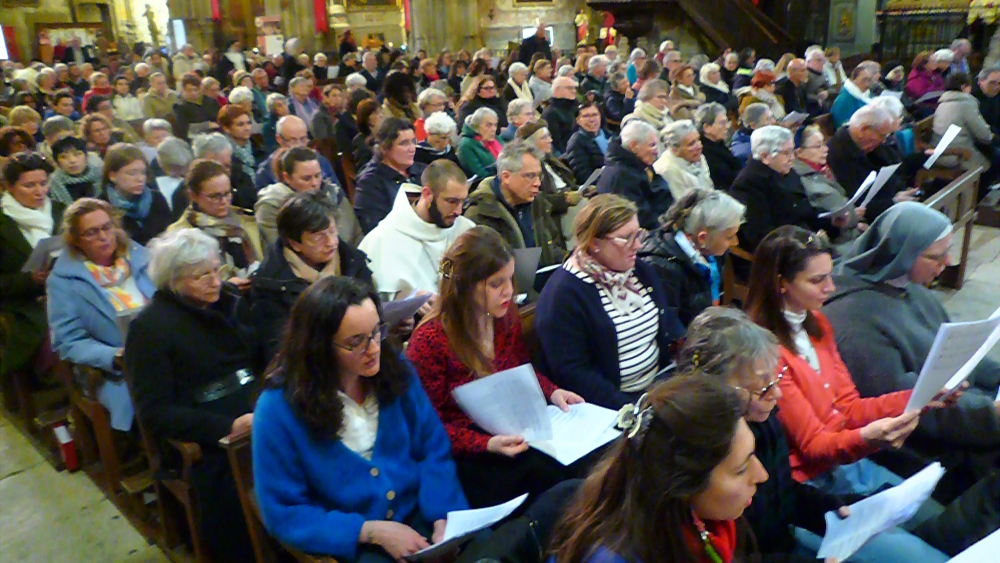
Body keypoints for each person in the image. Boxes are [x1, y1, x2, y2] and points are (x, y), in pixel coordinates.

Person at [252, 275, 469, 561]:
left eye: (376, 331)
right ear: (319, 347)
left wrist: (443, 515)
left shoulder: (395, 369)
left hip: (421, 513)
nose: (374, 348)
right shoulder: (276, 409)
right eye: (356, 342)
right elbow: (284, 511)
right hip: (355, 544)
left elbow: (432, 446)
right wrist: (369, 531)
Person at [406, 227, 584, 507]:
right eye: (496, 283)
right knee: (548, 486)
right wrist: (485, 444)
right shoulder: (430, 339)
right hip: (469, 454)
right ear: (466, 285)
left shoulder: (502, 316)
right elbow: (430, 427)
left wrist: (551, 391)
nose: (510, 291)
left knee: (573, 469)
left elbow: (519, 370)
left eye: (511, 279)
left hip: (511, 432)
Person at [824, 202, 1000, 482]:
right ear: (902, 256)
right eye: (936, 256)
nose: (948, 263)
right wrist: (991, 415)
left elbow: (958, 351)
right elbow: (906, 406)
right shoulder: (853, 320)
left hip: (962, 405)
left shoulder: (912, 290)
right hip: (919, 444)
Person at [120, 227, 255, 563]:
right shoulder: (151, 328)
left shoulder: (228, 302)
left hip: (257, 406)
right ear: (174, 280)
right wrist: (226, 428)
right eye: (201, 275)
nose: (214, 281)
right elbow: (155, 411)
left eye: (216, 270)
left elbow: (258, 357)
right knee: (239, 494)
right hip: (210, 434)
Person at [548, 375, 767, 563]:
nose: (762, 475)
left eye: (752, 455)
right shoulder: (614, 556)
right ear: (683, 483)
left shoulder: (695, 519)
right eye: (740, 469)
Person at [534, 194, 685, 408]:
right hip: (614, 404)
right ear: (595, 242)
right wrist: (633, 407)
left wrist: (683, 344)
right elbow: (574, 373)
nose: (638, 245)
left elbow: (664, 316)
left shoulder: (637, 270)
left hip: (658, 385)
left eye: (638, 234)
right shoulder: (564, 294)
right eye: (627, 238)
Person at [48, 198, 155, 433]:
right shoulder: (63, 281)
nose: (103, 237)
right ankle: (161, 455)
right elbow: (68, 341)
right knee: (155, 392)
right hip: (114, 367)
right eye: (91, 232)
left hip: (162, 345)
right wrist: (113, 355)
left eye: (107, 227)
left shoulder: (139, 256)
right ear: (75, 240)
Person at [250, 192, 372, 365]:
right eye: (319, 237)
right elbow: (279, 350)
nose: (331, 242)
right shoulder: (271, 285)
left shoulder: (352, 261)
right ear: (294, 243)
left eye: (332, 231)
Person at [360, 159, 474, 300]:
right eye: (452, 201)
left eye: (463, 201)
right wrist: (406, 297)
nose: (458, 210)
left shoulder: (465, 229)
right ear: (427, 194)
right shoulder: (383, 238)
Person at [0, 152, 65, 387]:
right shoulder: (4, 222)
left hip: (69, 290)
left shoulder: (60, 211)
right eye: (29, 185)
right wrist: (29, 280)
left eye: (44, 183)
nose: (39, 191)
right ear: (8, 186)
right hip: (26, 305)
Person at [639, 190, 744, 326]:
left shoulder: (712, 253)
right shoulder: (661, 265)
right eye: (729, 237)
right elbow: (671, 328)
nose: (736, 243)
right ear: (702, 238)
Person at [464, 140, 567, 268]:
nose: (538, 183)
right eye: (530, 176)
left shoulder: (537, 202)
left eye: (538, 176)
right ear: (506, 177)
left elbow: (550, 249)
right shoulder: (481, 214)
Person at [730, 126, 832, 252]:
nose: (792, 158)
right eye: (786, 153)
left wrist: (832, 222)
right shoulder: (748, 184)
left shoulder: (786, 171)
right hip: (790, 255)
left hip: (810, 242)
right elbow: (764, 237)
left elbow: (805, 209)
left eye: (792, 151)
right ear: (765, 156)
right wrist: (808, 240)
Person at [167, 159, 262, 291]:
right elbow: (180, 287)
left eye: (227, 193)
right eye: (214, 196)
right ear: (193, 196)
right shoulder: (178, 235)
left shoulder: (245, 222)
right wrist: (225, 288)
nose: (224, 201)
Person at [257, 146, 360, 248]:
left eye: (317, 176)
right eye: (306, 178)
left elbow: (357, 235)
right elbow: (280, 250)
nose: (314, 183)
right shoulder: (271, 205)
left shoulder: (334, 195)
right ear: (287, 177)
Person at [827, 104, 917, 220]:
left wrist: (902, 192)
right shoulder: (837, 154)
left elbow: (895, 168)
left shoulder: (869, 145)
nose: (884, 141)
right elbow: (857, 204)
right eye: (882, 136)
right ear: (863, 130)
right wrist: (893, 201)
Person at [793, 124, 864, 244]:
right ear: (800, 152)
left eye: (824, 144)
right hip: (840, 243)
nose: (826, 149)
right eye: (818, 146)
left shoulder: (821, 170)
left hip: (852, 233)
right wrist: (854, 216)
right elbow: (830, 217)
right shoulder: (803, 180)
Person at [353, 118, 427, 234]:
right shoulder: (369, 183)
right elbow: (375, 229)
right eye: (404, 143)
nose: (412, 148)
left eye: (413, 141)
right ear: (384, 148)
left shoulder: (420, 170)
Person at [595, 121, 673, 230]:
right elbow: (643, 220)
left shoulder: (641, 165)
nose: (656, 152)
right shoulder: (620, 177)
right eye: (652, 145)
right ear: (633, 146)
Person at [933, 72, 996, 196]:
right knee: (993, 159)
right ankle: (978, 199)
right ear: (963, 87)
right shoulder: (966, 103)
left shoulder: (943, 102)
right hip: (957, 154)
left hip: (940, 150)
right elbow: (984, 136)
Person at [99, 143, 170, 245]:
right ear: (112, 176)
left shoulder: (157, 199)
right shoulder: (102, 207)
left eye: (143, 172)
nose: (140, 179)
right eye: (132, 173)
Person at [654, 120, 714, 200]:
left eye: (698, 140)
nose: (699, 146)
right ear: (674, 149)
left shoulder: (698, 157)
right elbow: (683, 207)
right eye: (691, 144)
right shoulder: (667, 170)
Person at [695, 103, 740, 191]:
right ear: (706, 127)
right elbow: (726, 180)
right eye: (722, 123)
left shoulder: (719, 145)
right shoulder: (704, 152)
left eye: (727, 122)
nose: (727, 127)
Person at [564, 101, 610, 185]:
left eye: (595, 115)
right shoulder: (576, 142)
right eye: (586, 116)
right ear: (578, 120)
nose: (592, 120)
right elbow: (584, 176)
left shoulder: (609, 135)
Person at [48, 136, 102, 205]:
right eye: (64, 157)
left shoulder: (100, 174)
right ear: (57, 162)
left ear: (86, 156)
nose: (72, 161)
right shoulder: (54, 183)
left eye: (77, 154)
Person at [456, 107, 502, 182]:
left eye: (495, 125)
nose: (494, 129)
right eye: (489, 125)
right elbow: (480, 174)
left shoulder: (498, 139)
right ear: (476, 126)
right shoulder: (466, 145)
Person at [831, 61, 880, 129]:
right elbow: (843, 127)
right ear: (854, 79)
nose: (867, 84)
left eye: (870, 80)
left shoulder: (867, 94)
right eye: (864, 79)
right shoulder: (844, 100)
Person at [174, 72, 222, 141]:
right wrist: (206, 125)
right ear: (183, 90)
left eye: (195, 90)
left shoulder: (209, 102)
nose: (193, 93)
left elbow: (218, 120)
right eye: (189, 90)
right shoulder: (179, 107)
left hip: (214, 136)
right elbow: (184, 130)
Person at [540, 77, 578, 155]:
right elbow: (556, 144)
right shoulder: (550, 114)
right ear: (557, 90)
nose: (574, 91)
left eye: (575, 88)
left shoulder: (574, 108)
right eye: (570, 88)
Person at [973, 66, 1000, 136]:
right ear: (980, 81)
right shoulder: (971, 99)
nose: (996, 87)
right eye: (992, 83)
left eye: (999, 84)